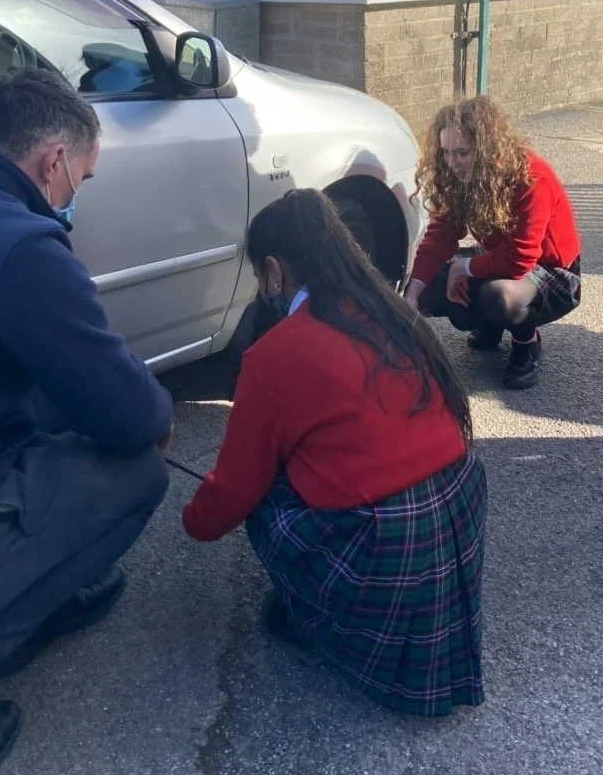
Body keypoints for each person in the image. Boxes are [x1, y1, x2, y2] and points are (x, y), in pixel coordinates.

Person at [0, 70, 172, 775]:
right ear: (53, 161)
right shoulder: (19, 247)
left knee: (42, 399)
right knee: (139, 468)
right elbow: (129, 414)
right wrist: (151, 413)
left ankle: (39, 597)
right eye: (83, 180)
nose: (74, 197)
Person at [182, 189, 487, 717]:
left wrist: (193, 519)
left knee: (267, 504)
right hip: (458, 509)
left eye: (260, 276)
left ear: (275, 271)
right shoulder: (393, 311)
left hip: (386, 546)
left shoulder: (275, 354)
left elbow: (234, 490)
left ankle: (320, 618)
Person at [404, 96, 581, 389]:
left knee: (499, 297)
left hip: (551, 268)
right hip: (503, 256)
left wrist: (464, 267)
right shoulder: (459, 175)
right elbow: (441, 236)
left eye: (462, 152)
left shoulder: (533, 177)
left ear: (487, 150)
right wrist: (412, 293)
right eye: (445, 152)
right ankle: (489, 323)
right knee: (428, 288)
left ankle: (526, 343)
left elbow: (520, 258)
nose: (452, 163)